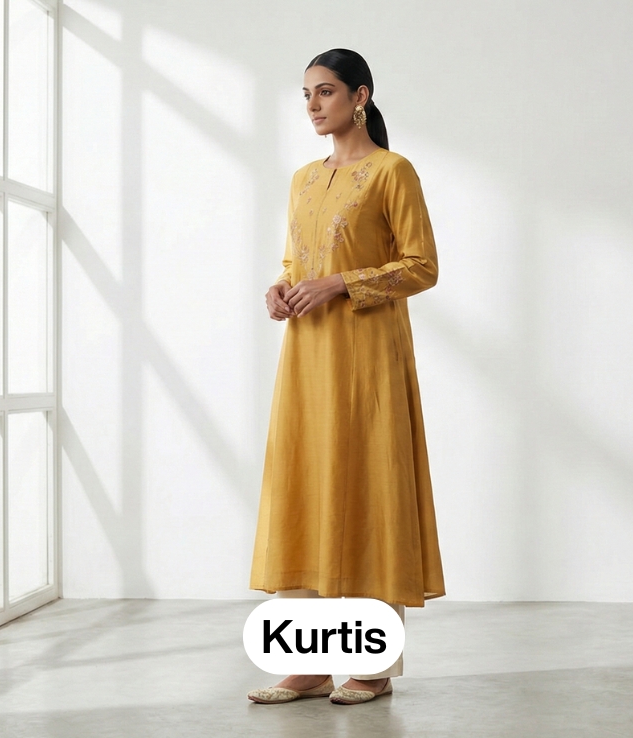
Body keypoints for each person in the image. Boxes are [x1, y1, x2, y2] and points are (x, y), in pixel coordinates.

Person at [247, 48, 445, 706]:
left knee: (368, 491)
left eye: (325, 92)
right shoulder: (304, 179)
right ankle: (308, 664)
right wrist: (281, 288)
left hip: (367, 360)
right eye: (306, 94)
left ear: (360, 96)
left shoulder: (393, 171)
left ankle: (372, 666)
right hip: (307, 359)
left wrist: (340, 284)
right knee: (305, 489)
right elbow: (295, 259)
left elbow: (421, 266)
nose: (312, 105)